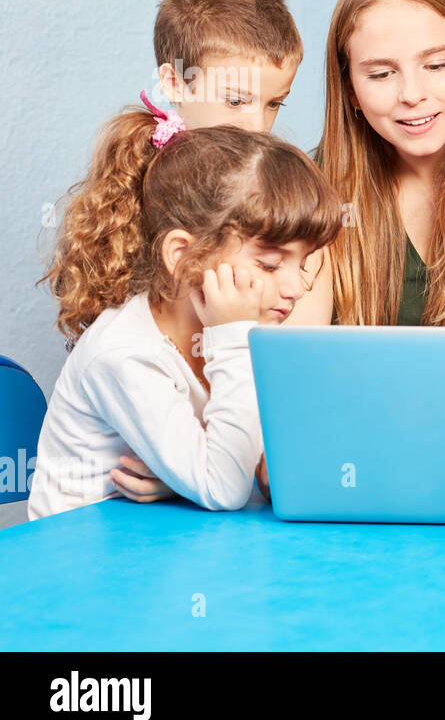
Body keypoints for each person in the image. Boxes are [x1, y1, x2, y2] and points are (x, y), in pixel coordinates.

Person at [31, 109, 341, 519]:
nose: (297, 288)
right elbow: (225, 489)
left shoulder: (244, 334)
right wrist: (205, 477)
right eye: (269, 264)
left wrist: (185, 480)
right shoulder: (124, 354)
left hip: (165, 545)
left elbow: (272, 473)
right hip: (86, 560)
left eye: (302, 265)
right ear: (182, 256)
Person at [289, 0, 445, 327]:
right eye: (381, 74)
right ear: (350, 88)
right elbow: (298, 361)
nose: (412, 94)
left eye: (436, 66)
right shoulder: (310, 190)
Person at [153, 0, 303, 133]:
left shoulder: (271, 159)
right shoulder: (139, 158)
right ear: (175, 84)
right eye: (235, 102)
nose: (259, 128)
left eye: (273, 104)